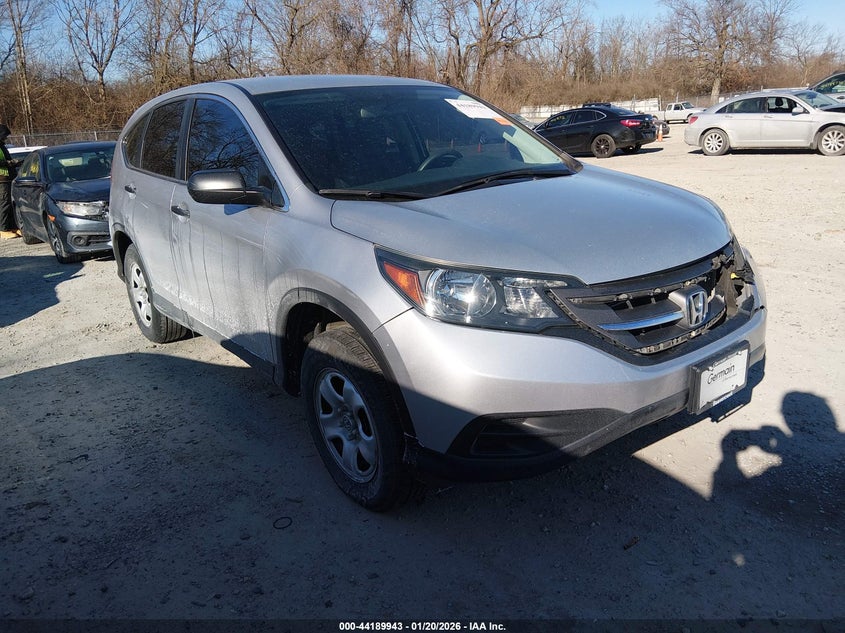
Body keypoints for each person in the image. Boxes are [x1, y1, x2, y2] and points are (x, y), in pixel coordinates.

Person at [0, 124, 20, 239]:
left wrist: (15, 163)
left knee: (10, 204)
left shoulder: (2, 146)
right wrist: (10, 163)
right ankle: (3, 229)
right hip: (1, 180)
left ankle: (11, 226)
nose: (6, 138)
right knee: (4, 204)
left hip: (8, 178)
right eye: (4, 136)